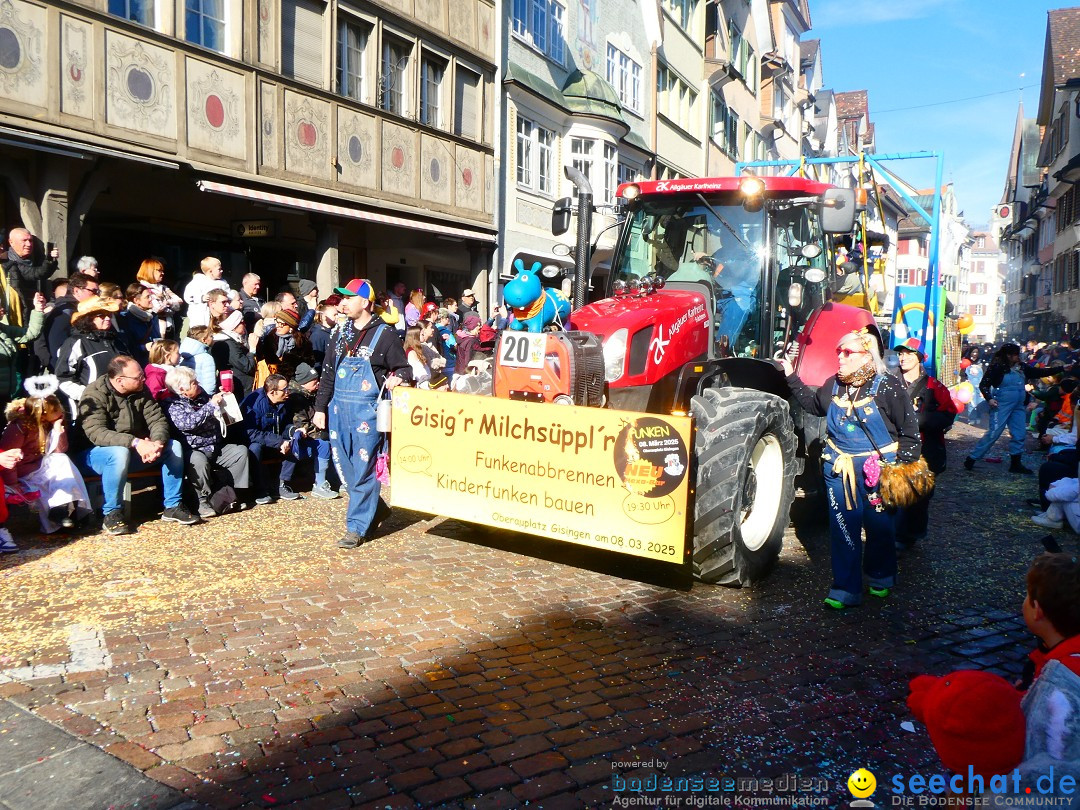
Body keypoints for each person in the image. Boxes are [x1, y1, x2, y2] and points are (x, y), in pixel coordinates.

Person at [782, 329, 921, 609]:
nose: (841, 358)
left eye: (848, 352)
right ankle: (845, 588)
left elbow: (909, 432)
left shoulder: (888, 386)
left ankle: (880, 577)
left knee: (880, 527)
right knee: (843, 528)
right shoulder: (833, 384)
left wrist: (900, 469)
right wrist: (790, 376)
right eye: (839, 352)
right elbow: (813, 406)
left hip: (879, 469)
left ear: (867, 355)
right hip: (838, 469)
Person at [313, 278, 410, 549]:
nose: (343, 303)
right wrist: (320, 408)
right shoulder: (339, 333)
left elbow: (404, 369)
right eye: (341, 298)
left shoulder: (385, 334)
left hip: (367, 413)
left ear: (365, 303)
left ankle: (356, 528)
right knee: (347, 469)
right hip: (338, 411)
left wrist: (398, 378)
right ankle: (375, 509)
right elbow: (328, 373)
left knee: (365, 468)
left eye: (349, 298)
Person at [72, 356, 199, 535]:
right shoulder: (94, 394)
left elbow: (157, 420)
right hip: (92, 456)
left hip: (133, 450)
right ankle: (112, 513)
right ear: (120, 381)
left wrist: (156, 443)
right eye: (138, 377)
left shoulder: (141, 390)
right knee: (118, 453)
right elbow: (96, 433)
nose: (144, 379)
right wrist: (136, 442)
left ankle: (173, 506)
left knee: (174, 447)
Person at [965, 343, 1069, 474]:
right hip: (1001, 404)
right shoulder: (997, 368)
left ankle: (1016, 464)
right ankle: (972, 458)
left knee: (1019, 433)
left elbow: (1039, 372)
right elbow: (984, 384)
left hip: (1018, 406)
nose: (1018, 357)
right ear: (1008, 356)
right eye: (1015, 355)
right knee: (994, 433)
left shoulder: (1022, 367)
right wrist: (989, 398)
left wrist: (1061, 368)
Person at [894, 338, 958, 549]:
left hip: (925, 449)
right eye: (901, 353)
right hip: (894, 447)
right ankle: (895, 535)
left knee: (919, 496)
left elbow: (948, 414)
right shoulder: (888, 382)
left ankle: (910, 535)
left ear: (920, 358)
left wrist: (918, 421)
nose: (903, 357)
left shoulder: (934, 386)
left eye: (909, 354)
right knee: (894, 491)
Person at [1, 387, 93, 534]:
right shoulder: (19, 426)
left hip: (39, 466)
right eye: (55, 410)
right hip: (20, 472)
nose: (60, 411)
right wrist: (13, 483)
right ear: (43, 415)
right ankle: (56, 520)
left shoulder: (51, 423)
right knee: (46, 481)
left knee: (61, 460)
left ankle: (60, 509)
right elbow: (8, 457)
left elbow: (59, 450)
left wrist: (58, 429)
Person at [163, 365, 250, 519]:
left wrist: (223, 398)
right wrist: (211, 406)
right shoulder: (173, 405)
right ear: (182, 389)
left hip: (215, 446)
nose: (198, 383)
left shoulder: (202, 395)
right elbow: (187, 424)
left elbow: (216, 410)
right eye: (193, 382)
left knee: (240, 453)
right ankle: (202, 500)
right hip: (193, 449)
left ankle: (232, 494)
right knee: (198, 461)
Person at [55, 295, 128, 409]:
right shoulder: (76, 342)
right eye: (101, 316)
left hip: (122, 405)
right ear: (88, 318)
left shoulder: (117, 341)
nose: (108, 319)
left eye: (109, 315)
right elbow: (63, 378)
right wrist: (89, 396)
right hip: (91, 408)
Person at [284, 363, 338, 500]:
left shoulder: (308, 395)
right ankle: (322, 483)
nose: (318, 384)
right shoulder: (297, 399)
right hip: (296, 438)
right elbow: (301, 425)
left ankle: (329, 480)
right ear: (304, 383)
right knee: (325, 443)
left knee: (330, 441)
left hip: (305, 435)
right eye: (314, 382)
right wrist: (322, 432)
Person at [240, 374, 293, 504]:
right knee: (255, 448)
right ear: (272, 392)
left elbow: (284, 424)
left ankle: (282, 484)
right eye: (284, 389)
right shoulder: (256, 404)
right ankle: (260, 490)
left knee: (295, 440)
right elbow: (250, 433)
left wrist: (293, 431)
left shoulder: (283, 401)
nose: (288, 392)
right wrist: (279, 441)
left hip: (274, 439)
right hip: (252, 441)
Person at [36, 272, 99, 371]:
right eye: (93, 291)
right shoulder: (64, 314)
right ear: (77, 291)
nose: (96, 296)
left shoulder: (78, 310)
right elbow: (56, 349)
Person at [2, 228, 57, 327]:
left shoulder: (37, 261)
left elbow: (37, 273)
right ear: (11, 242)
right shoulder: (5, 262)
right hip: (10, 314)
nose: (28, 244)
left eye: (30, 240)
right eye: (24, 240)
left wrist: (50, 260)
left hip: (32, 313)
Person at [255, 307, 312, 386]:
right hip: (271, 378)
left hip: (294, 380)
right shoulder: (270, 337)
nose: (278, 326)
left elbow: (308, 361)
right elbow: (261, 356)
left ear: (291, 327)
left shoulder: (302, 342)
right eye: (277, 322)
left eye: (281, 324)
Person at [136, 258, 183, 340]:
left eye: (162, 270)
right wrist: (171, 307)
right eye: (159, 270)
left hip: (170, 326)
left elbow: (179, 302)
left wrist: (168, 303)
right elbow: (157, 309)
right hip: (155, 329)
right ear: (150, 271)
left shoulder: (164, 288)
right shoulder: (142, 289)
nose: (162, 273)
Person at [211, 309, 255, 394]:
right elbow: (247, 367)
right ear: (234, 325)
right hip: (240, 388)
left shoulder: (232, 341)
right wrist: (252, 349)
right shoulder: (228, 343)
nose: (245, 324)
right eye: (242, 322)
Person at [118, 283, 160, 366]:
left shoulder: (151, 316)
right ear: (136, 301)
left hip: (154, 362)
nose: (151, 299)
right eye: (147, 297)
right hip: (139, 364)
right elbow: (127, 346)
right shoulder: (126, 319)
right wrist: (144, 347)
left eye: (150, 296)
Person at [183, 257, 231, 328]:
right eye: (219, 269)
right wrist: (201, 298)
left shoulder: (223, 283)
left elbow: (229, 295)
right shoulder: (198, 282)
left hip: (219, 317)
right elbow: (188, 296)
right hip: (201, 318)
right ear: (210, 271)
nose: (222, 271)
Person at [178, 325, 218, 395]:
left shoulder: (181, 355)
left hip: (185, 394)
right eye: (211, 336)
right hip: (201, 395)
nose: (213, 339)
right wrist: (209, 397)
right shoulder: (206, 358)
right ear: (204, 340)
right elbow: (209, 383)